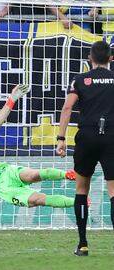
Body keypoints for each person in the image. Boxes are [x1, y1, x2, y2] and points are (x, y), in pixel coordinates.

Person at [56, 41, 114, 257]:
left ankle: (82, 244)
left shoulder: (80, 79)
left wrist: (61, 138)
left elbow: (68, 107)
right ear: (110, 58)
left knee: (81, 190)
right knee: (113, 192)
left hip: (87, 136)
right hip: (111, 135)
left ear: (90, 58)